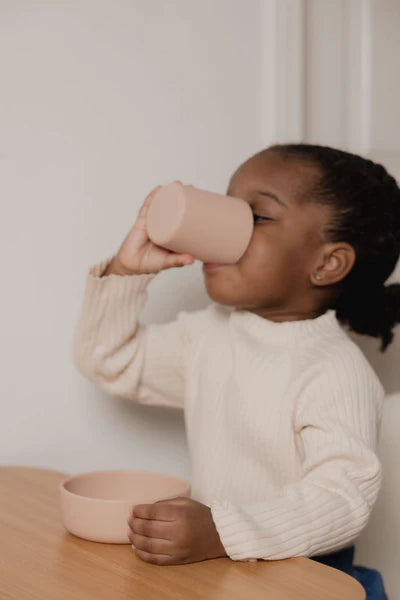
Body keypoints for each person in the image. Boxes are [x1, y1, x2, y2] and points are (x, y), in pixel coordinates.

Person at [72, 144, 400, 599]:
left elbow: (342, 500)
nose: (225, 230)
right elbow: (111, 361)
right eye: (227, 208)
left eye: (257, 216)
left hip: (305, 579)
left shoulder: (334, 369)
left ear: (326, 263)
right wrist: (128, 270)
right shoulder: (210, 334)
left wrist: (223, 529)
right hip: (224, 570)